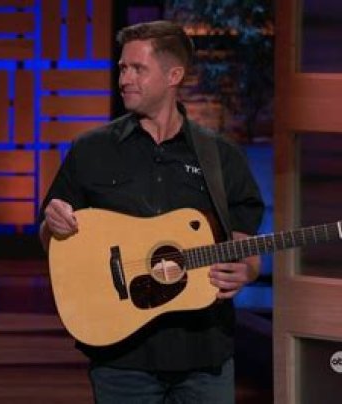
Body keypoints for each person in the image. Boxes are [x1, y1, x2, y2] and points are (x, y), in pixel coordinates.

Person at [39, 21, 264, 403]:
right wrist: (52, 225)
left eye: (137, 69)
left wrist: (248, 269)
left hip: (203, 353)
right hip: (121, 357)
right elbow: (48, 238)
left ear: (173, 75)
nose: (124, 79)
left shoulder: (220, 156)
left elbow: (243, 241)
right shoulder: (91, 150)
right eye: (122, 68)